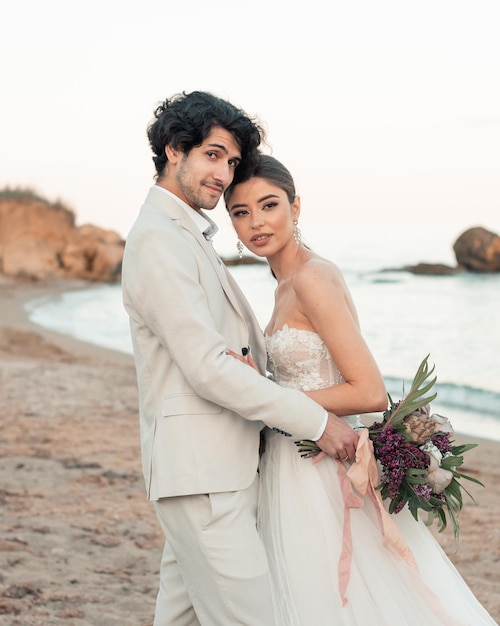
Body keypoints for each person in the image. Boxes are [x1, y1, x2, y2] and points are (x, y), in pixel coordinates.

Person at [224, 154, 498, 626]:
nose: (256, 223)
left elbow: (368, 391)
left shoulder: (312, 277)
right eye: (240, 212)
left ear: (296, 206)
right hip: (298, 458)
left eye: (268, 205)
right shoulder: (283, 280)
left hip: (321, 463)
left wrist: (265, 399)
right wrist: (263, 385)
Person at [121, 91, 359, 626]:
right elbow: (207, 367)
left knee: (180, 617)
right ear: (172, 149)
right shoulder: (161, 239)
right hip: (204, 477)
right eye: (213, 155)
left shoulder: (185, 233)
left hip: (214, 471)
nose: (224, 174)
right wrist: (316, 420)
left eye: (230, 161)